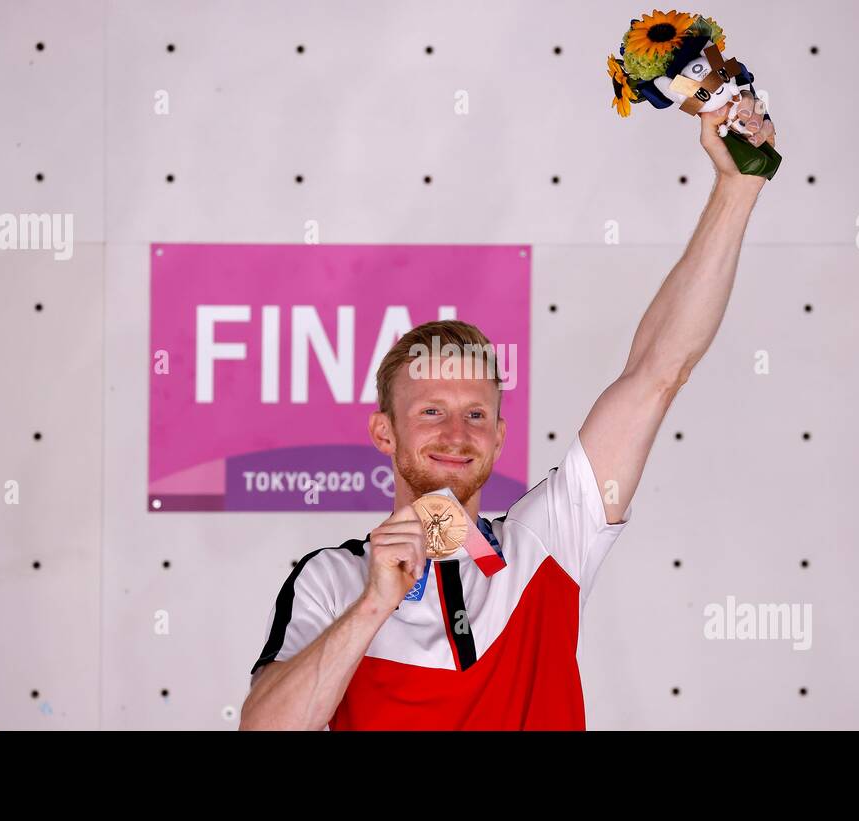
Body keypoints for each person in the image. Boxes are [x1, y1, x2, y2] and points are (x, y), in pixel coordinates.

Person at [239, 100, 774, 730]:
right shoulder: (332, 578)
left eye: (475, 415)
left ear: (499, 437)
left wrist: (738, 187)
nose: (454, 434)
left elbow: (657, 372)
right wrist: (372, 607)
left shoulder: (546, 541)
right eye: (431, 410)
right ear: (384, 431)